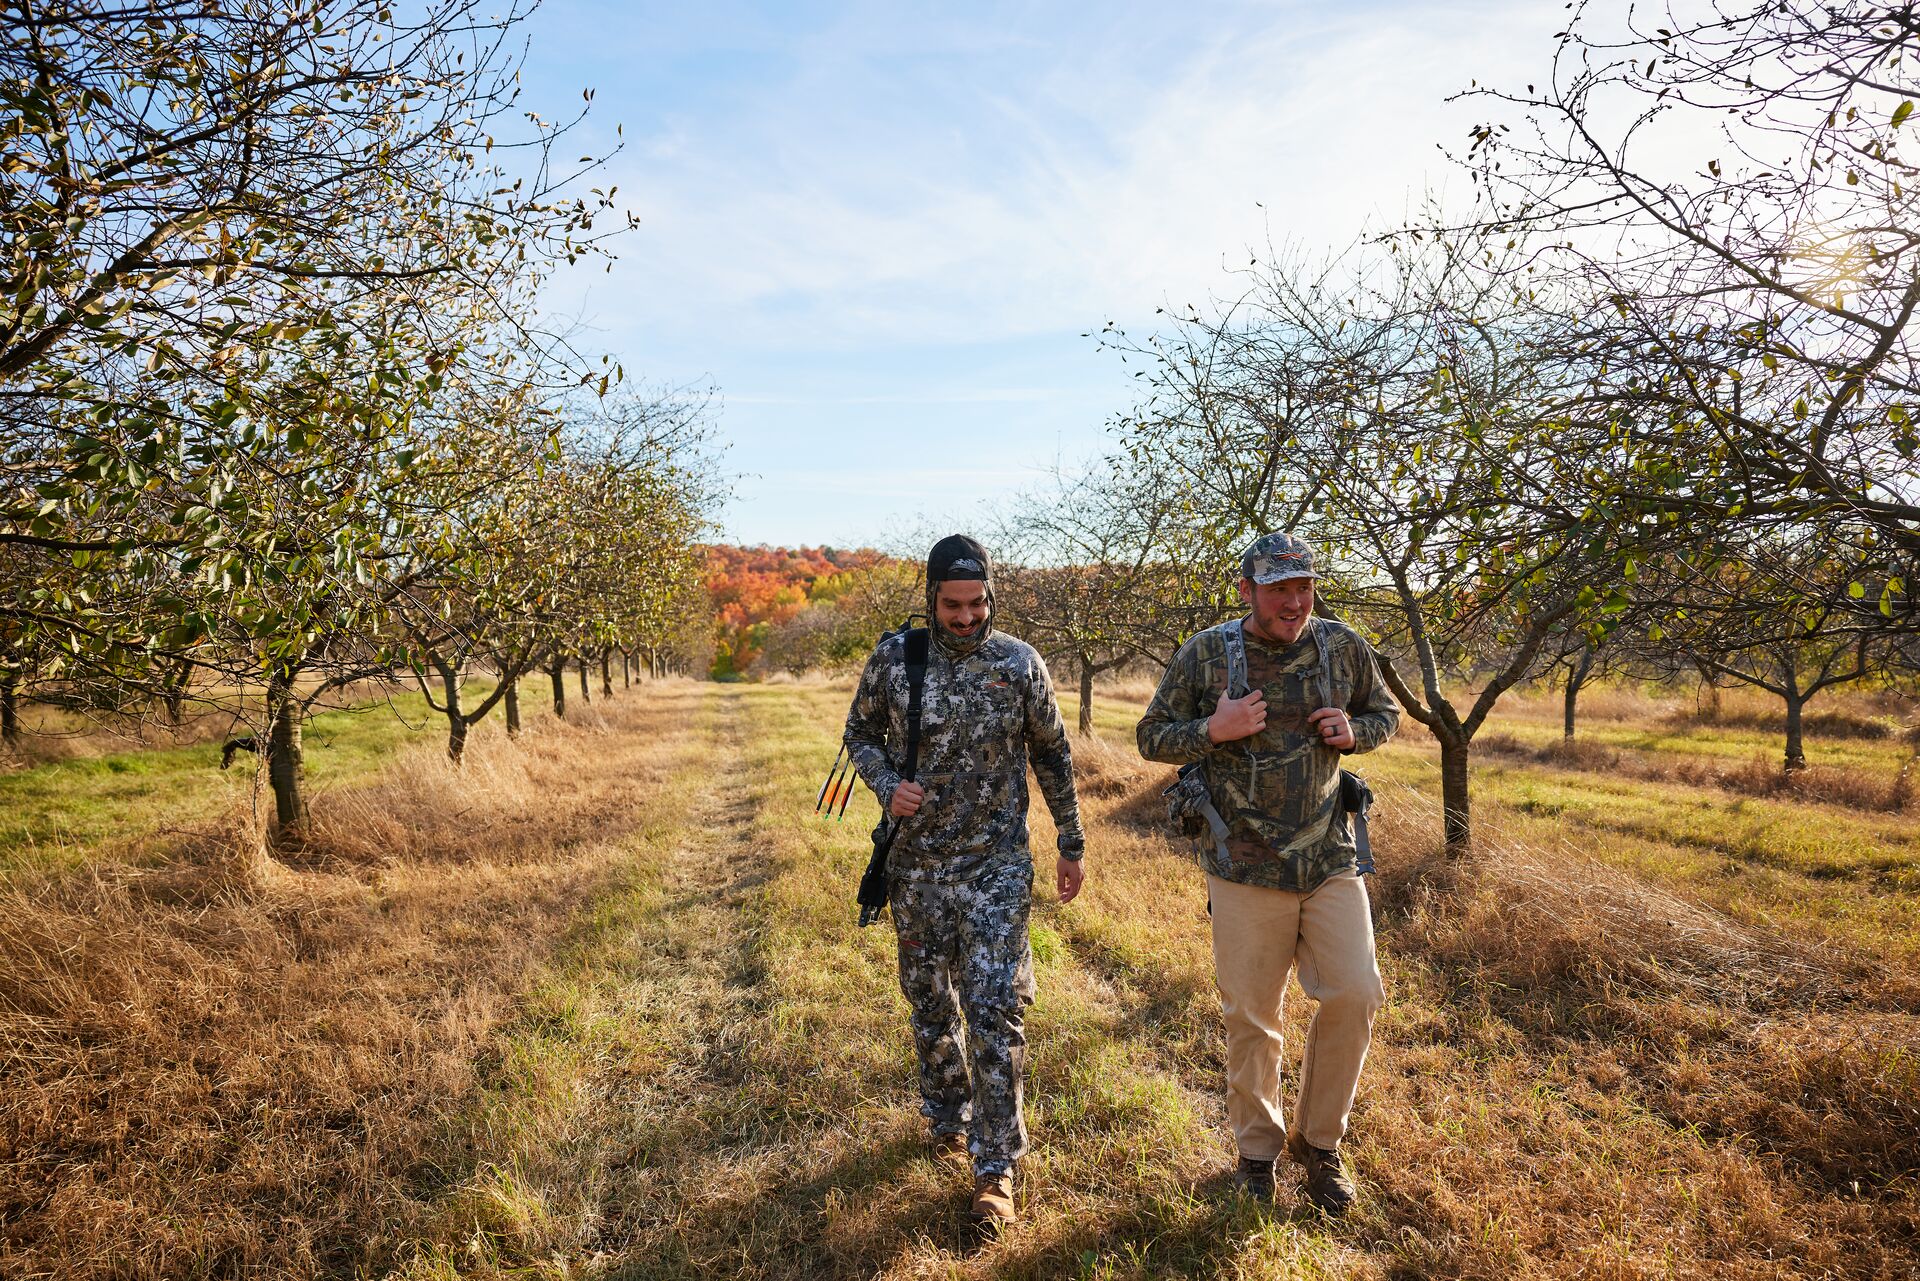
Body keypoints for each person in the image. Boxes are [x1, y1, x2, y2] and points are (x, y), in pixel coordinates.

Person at [1135, 531, 1399, 1214]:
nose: (1294, 599)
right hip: (1244, 861)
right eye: (1278, 587)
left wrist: (1356, 730)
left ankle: (1321, 1141)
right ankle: (1258, 1153)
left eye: (1303, 585)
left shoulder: (1342, 647)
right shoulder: (1207, 653)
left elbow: (1384, 712)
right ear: (1247, 589)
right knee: (1252, 1016)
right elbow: (1150, 735)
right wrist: (1212, 731)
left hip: (1328, 852)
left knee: (1355, 991)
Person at [843, 534, 1087, 1232]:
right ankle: (948, 1112)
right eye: (952, 604)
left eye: (978, 603)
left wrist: (1070, 841)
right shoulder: (896, 660)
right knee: (929, 1001)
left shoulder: (1019, 663)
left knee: (994, 1007)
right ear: (931, 598)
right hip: (916, 868)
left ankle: (995, 1169)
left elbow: (1052, 753)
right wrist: (888, 785)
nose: (966, 616)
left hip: (996, 866)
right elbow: (857, 733)